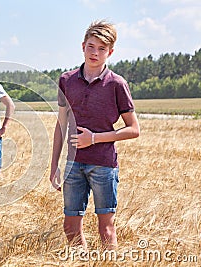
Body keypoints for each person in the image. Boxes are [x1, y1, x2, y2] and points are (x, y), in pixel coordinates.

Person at [50, 20, 140, 250]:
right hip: (72, 164)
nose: (95, 53)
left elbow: (134, 129)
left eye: (101, 49)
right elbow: (61, 125)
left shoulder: (117, 84)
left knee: (106, 229)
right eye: (91, 46)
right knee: (70, 226)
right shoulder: (66, 80)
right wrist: (54, 166)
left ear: (110, 52)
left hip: (104, 165)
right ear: (82, 46)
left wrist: (94, 138)